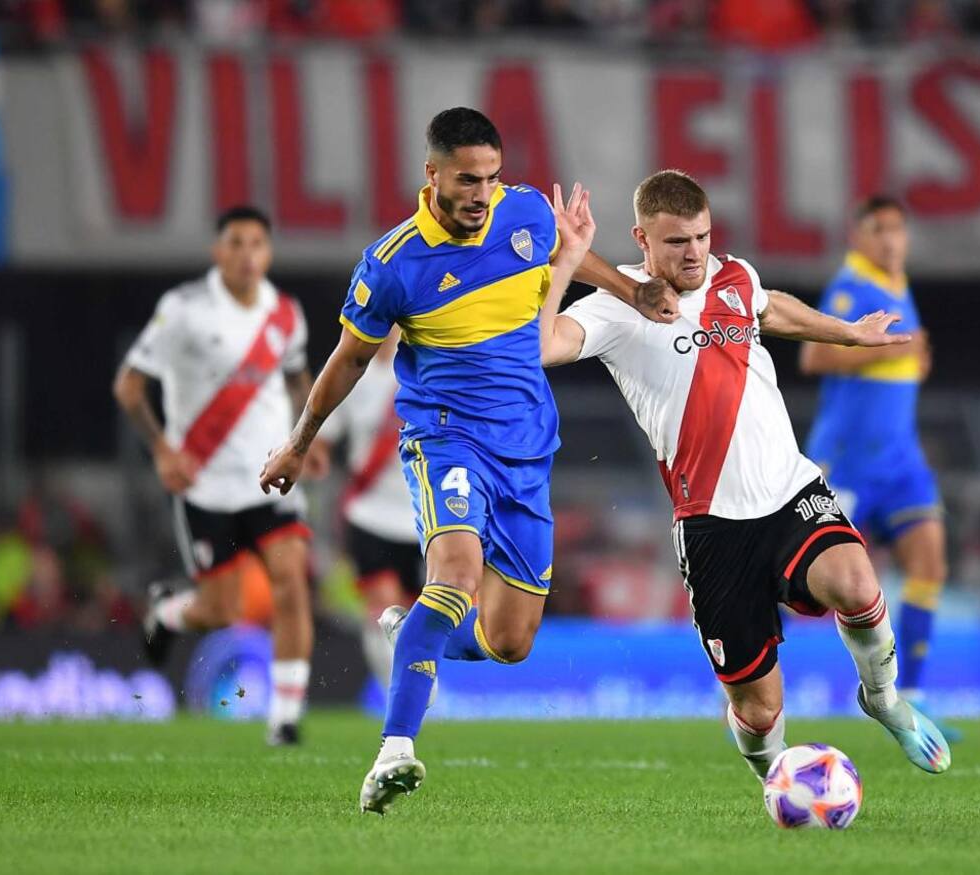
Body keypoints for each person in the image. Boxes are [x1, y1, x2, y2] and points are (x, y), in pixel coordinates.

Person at [258, 107, 676, 814]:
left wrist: (631, 288)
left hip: (526, 449)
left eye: (490, 177)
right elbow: (348, 360)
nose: (481, 193)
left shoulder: (522, 213)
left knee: (510, 641)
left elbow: (554, 248)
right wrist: (299, 442)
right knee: (454, 571)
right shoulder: (393, 264)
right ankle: (394, 751)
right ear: (432, 175)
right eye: (466, 179)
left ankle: (413, 628)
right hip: (447, 439)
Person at [541, 169, 952, 784]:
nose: (695, 253)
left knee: (857, 583)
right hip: (712, 528)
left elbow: (770, 307)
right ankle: (774, 782)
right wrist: (569, 262)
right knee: (759, 711)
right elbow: (542, 344)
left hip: (790, 492)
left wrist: (849, 333)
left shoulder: (734, 274)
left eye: (703, 237)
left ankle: (883, 698)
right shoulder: (614, 306)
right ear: (642, 239)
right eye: (677, 242)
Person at [113, 205, 326, 746]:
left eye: (257, 243)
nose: (246, 254)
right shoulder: (183, 310)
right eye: (235, 243)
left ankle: (284, 719)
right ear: (217, 251)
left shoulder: (285, 314)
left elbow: (300, 379)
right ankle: (167, 611)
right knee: (222, 609)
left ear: (268, 252)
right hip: (204, 485)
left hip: (268, 478)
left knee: (291, 583)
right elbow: (130, 387)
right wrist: (162, 450)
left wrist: (308, 439)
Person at [800, 195, 958, 739]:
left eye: (897, 229)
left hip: (900, 459)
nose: (890, 239)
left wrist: (916, 362)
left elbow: (901, 361)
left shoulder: (898, 284)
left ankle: (910, 695)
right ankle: (751, 688)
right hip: (847, 459)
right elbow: (815, 358)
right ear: (858, 236)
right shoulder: (852, 285)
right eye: (878, 229)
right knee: (802, 579)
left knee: (930, 564)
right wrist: (895, 351)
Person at [314, 329, 423, 686]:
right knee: (384, 609)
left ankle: (412, 681)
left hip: (421, 517)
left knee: (415, 615)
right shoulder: (350, 374)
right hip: (369, 515)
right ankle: (398, 692)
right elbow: (323, 433)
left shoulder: (425, 372)